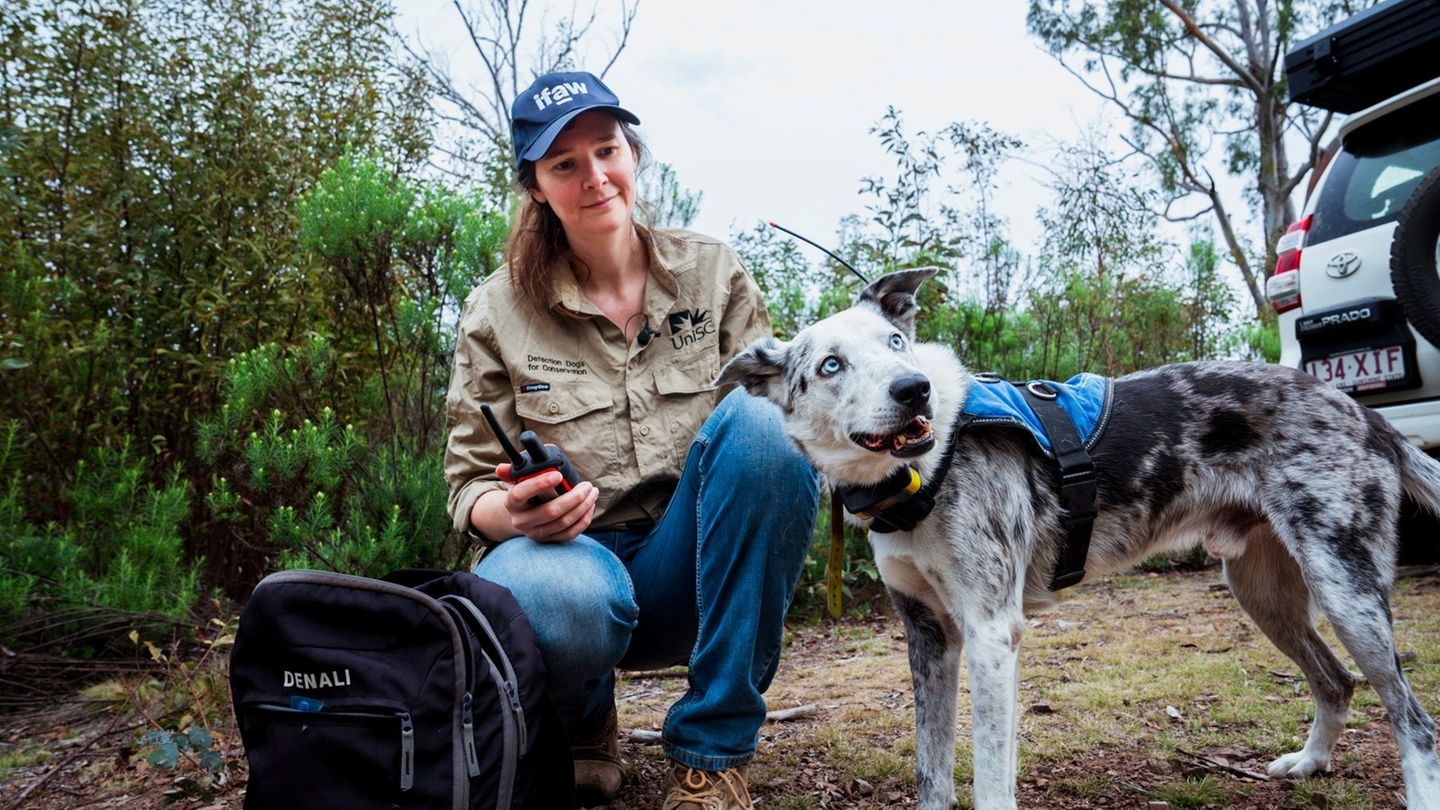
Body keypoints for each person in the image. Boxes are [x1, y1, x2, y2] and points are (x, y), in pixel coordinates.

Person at [444, 70, 821, 810]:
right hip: (572, 570)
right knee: (556, 589)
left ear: (633, 154)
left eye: (607, 150)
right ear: (535, 187)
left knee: (768, 420)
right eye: (565, 165)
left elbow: (780, 440)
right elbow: (467, 488)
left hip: (696, 569)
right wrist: (515, 515)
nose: (595, 177)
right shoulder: (495, 310)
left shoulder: (713, 274)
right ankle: (583, 724)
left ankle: (713, 755)